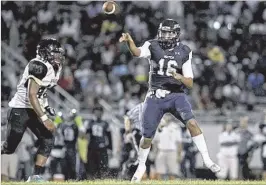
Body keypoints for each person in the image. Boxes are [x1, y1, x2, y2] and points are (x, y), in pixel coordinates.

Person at [119, 18, 220, 182]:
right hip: (155, 96)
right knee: (147, 138)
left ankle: (207, 159)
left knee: (193, 124)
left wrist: (179, 77)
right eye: (163, 32)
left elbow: (190, 82)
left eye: (168, 33)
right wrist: (130, 42)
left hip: (176, 95)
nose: (165, 36)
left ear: (176, 34)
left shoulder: (185, 51)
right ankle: (142, 165)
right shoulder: (152, 45)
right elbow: (137, 53)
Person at [1, 38, 65, 182]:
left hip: (33, 107)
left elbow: (42, 90)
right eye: (55, 52)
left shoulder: (55, 67)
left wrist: (46, 106)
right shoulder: (38, 65)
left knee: (48, 138)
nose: (58, 56)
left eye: (59, 53)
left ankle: (36, 176)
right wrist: (45, 118)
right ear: (45, 53)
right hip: (21, 108)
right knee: (9, 148)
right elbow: (31, 94)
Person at [85, 106, 113, 179]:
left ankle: (102, 180)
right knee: (92, 167)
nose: (98, 113)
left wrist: (110, 148)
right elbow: (86, 135)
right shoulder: (90, 123)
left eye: (99, 112)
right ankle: (92, 180)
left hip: (102, 147)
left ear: (102, 113)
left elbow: (109, 137)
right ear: (94, 113)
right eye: (96, 112)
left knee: (103, 166)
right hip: (92, 147)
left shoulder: (105, 123)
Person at [153, 114, 182, 180]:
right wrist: (154, 153)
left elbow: (179, 142)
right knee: (159, 172)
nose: (167, 117)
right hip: (161, 151)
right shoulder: (159, 127)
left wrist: (179, 155)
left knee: (172, 172)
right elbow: (155, 141)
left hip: (172, 152)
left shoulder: (176, 127)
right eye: (165, 115)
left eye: (169, 115)